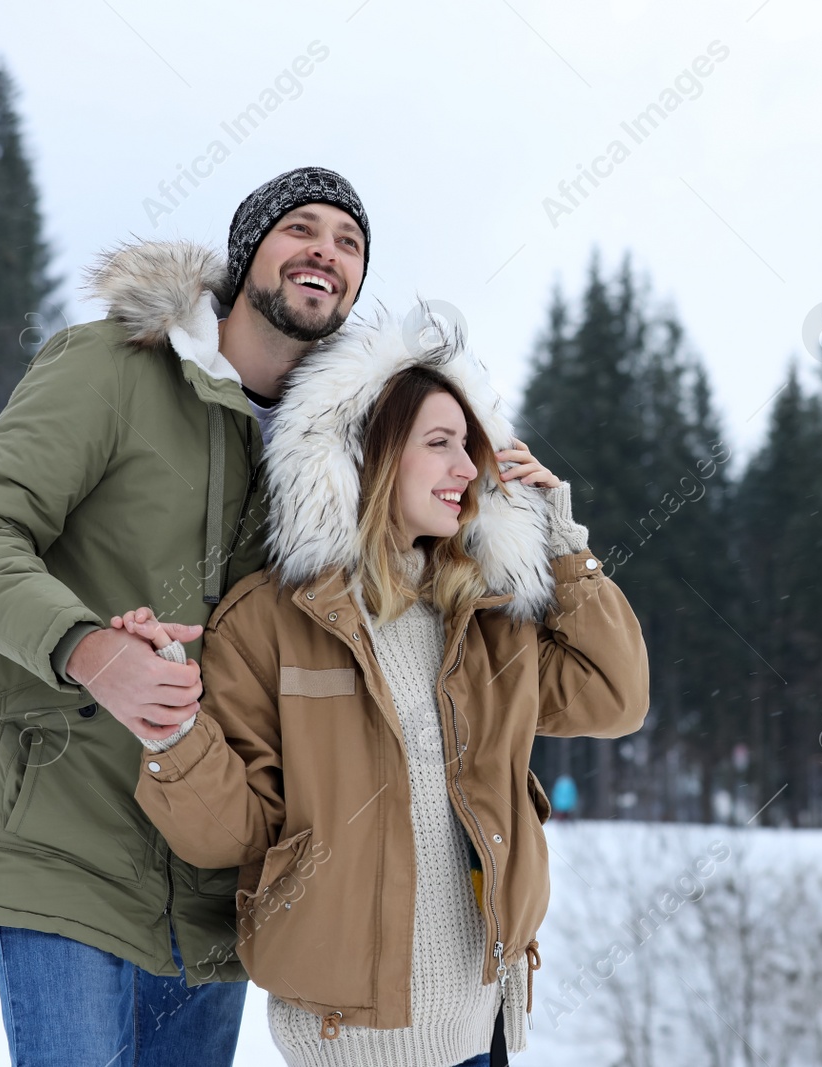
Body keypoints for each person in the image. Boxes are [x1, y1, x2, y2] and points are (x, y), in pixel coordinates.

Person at [0, 166, 371, 1067]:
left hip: (217, 876)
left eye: (350, 243)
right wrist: (86, 648)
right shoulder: (112, 365)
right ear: (248, 255)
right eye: (303, 228)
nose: (327, 250)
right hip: (68, 831)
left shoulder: (331, 456)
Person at [123, 316, 650, 1067]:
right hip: (347, 1044)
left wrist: (561, 545)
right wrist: (172, 728)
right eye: (439, 442)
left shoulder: (486, 617)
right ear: (366, 454)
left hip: (480, 1034)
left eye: (471, 447)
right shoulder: (271, 619)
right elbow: (232, 832)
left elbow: (614, 697)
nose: (466, 466)